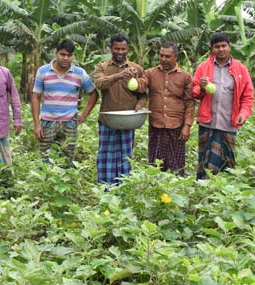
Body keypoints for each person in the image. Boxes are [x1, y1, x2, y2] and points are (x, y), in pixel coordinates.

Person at [192, 32, 255, 180]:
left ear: (229, 47)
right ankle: (203, 189)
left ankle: (224, 192)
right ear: (212, 49)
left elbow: (248, 96)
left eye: (224, 46)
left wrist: (244, 114)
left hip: (229, 122)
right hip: (208, 123)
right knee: (205, 160)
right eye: (217, 47)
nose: (221, 49)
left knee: (226, 160)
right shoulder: (203, 67)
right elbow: (194, 93)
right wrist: (200, 88)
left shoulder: (240, 69)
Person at [31, 40, 98, 166]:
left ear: (73, 56)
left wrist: (84, 116)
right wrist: (36, 124)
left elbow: (94, 93)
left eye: (69, 55)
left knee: (68, 160)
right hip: (47, 123)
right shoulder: (43, 71)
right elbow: (36, 97)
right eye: (62, 54)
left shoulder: (79, 73)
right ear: (56, 54)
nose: (65, 58)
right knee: (45, 160)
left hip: (70, 123)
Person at [92, 33, 146, 185]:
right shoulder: (102, 67)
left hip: (128, 121)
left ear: (128, 49)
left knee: (126, 156)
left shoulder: (136, 69)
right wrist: (118, 76)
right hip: (108, 120)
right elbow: (99, 83)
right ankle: (105, 187)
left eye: (123, 49)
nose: (120, 52)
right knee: (105, 155)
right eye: (117, 49)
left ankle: (124, 187)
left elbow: (143, 94)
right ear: (111, 48)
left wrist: (140, 104)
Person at [134, 42, 194, 175]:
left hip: (176, 126)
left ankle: (176, 190)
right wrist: (134, 79)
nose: (163, 59)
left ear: (175, 57)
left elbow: (189, 102)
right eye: (161, 56)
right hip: (156, 125)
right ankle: (155, 190)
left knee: (176, 165)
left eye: (167, 56)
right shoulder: (150, 73)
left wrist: (187, 126)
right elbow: (141, 86)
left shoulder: (185, 76)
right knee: (155, 164)